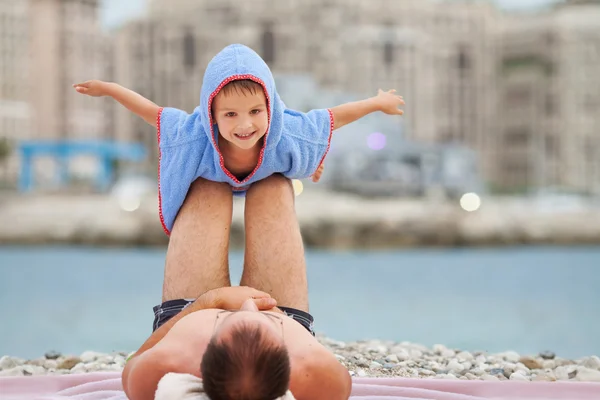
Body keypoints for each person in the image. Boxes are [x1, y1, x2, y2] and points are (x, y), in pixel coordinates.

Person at [73, 43, 405, 236]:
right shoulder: (195, 138)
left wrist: (376, 103)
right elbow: (152, 112)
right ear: (211, 116)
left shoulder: (285, 131)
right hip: (215, 176)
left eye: (255, 111)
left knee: (305, 150)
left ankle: (311, 164)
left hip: (276, 162)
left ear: (269, 108)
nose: (245, 125)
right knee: (298, 153)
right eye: (230, 114)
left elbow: (332, 118)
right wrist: (109, 89)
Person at [119, 173, 353, 400]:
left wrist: (208, 304)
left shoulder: (165, 366)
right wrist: (275, 313)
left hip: (189, 311)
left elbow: (135, 360)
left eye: (219, 321)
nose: (247, 304)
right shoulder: (319, 375)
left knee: (206, 181)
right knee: (273, 183)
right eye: (271, 323)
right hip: (288, 316)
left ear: (202, 358)